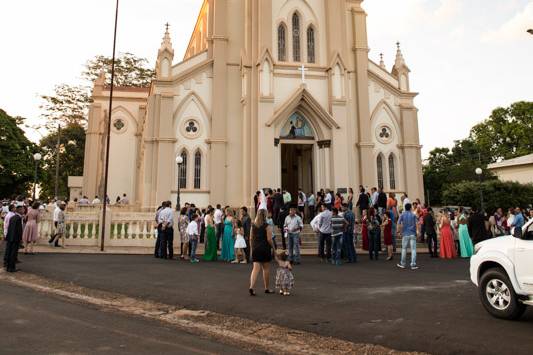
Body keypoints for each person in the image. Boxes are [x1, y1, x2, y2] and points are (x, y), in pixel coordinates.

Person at [249, 209, 275, 296]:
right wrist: (274, 248)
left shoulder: (253, 225)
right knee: (266, 268)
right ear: (265, 216)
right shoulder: (267, 226)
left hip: (256, 248)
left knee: (255, 269)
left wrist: (252, 248)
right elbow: (269, 239)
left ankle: (251, 286)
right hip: (264, 248)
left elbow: (251, 238)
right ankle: (266, 288)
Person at [396, 203, 418, 270]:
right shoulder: (413, 215)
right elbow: (417, 224)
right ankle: (413, 264)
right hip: (412, 233)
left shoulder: (402, 215)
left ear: (405, 208)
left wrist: (398, 232)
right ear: (410, 208)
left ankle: (402, 264)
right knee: (413, 249)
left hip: (405, 234)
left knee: (404, 249)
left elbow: (398, 223)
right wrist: (418, 231)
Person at [4, 203, 24, 272]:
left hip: (10, 237)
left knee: (10, 252)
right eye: (22, 209)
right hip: (15, 238)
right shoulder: (18, 218)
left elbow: (10, 227)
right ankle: (11, 268)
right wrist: (20, 239)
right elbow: (19, 230)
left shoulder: (13, 217)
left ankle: (8, 267)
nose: (23, 210)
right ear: (19, 210)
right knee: (13, 253)